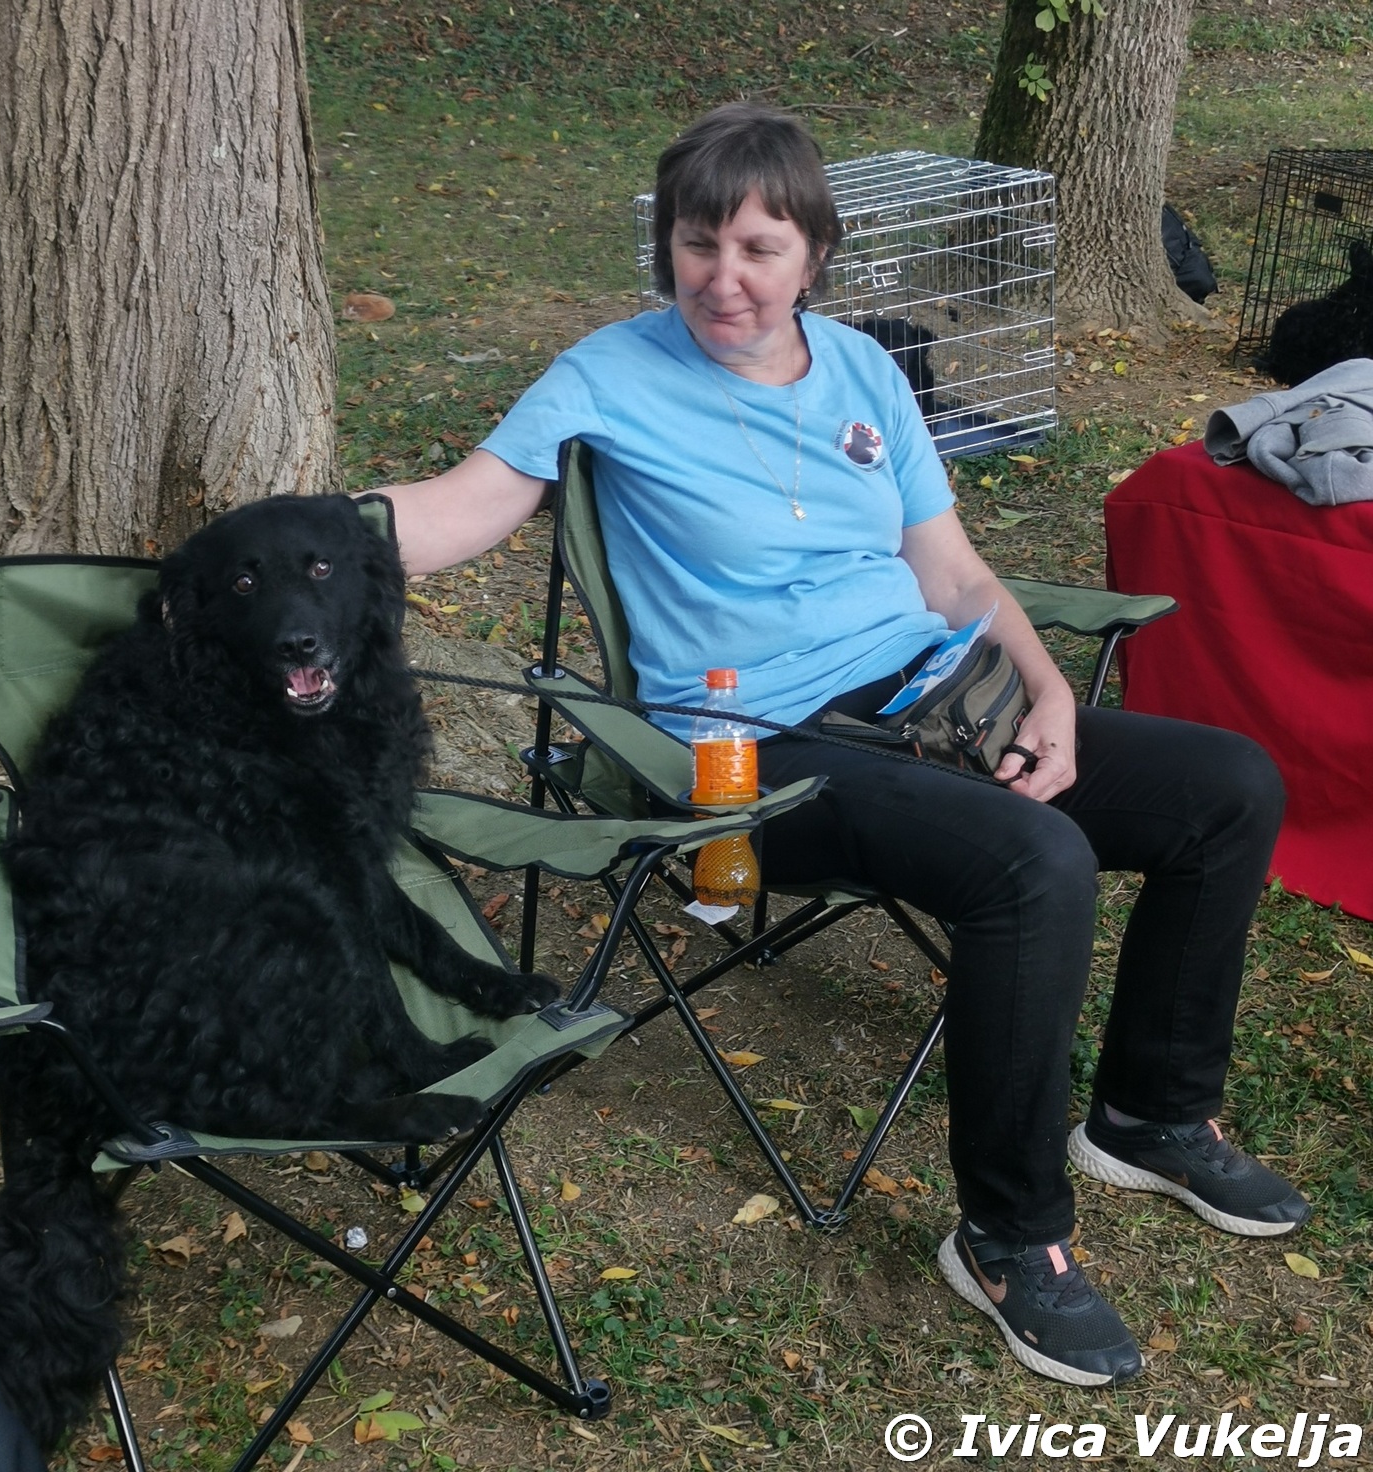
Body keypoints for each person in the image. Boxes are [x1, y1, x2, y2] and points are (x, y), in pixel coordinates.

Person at [375, 102, 1306, 1386]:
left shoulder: (866, 370)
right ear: (666, 247)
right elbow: (453, 510)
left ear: (815, 253)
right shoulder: (607, 373)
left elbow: (951, 571)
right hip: (753, 750)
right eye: (697, 244)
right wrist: (288, 548)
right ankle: (1008, 1237)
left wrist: (1043, 687)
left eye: (758, 248)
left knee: (1228, 785)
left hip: (932, 701)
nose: (723, 277)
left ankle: (1150, 1113)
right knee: (1033, 860)